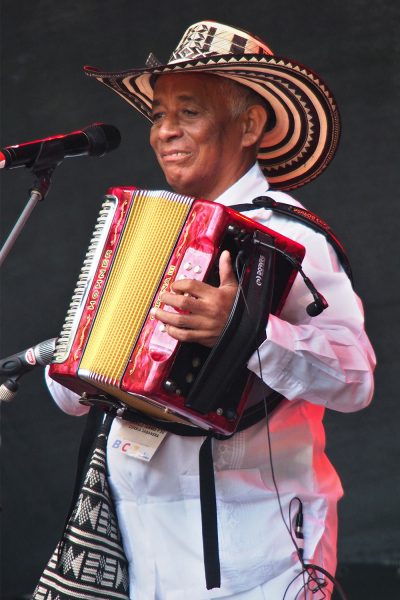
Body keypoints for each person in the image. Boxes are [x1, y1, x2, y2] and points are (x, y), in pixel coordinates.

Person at [45, 21, 375, 599]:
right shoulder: (146, 232)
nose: (164, 132)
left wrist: (245, 334)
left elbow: (355, 379)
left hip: (258, 554)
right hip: (142, 547)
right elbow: (75, 397)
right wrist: (75, 364)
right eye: (158, 115)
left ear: (249, 126)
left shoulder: (290, 238)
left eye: (188, 112)